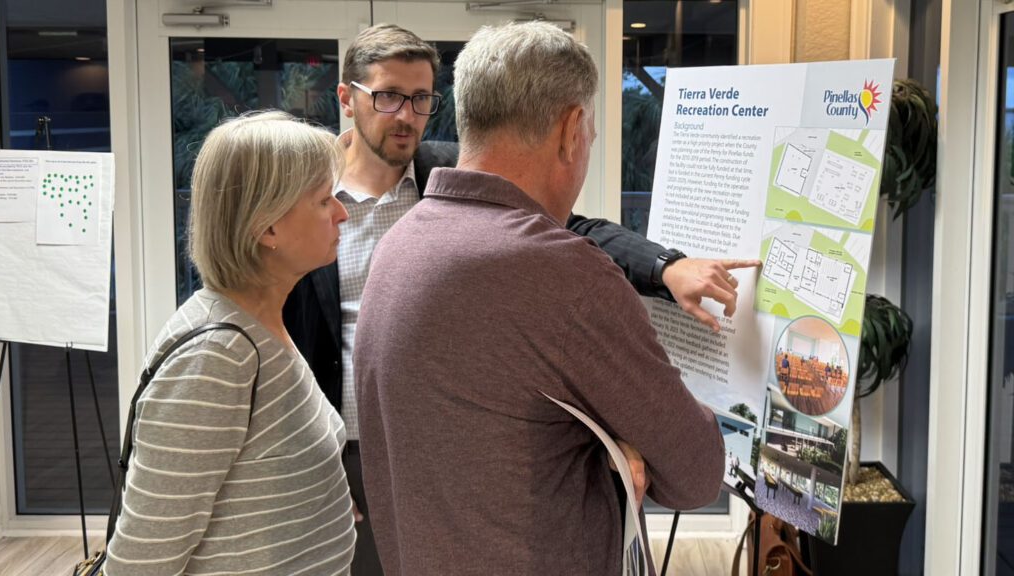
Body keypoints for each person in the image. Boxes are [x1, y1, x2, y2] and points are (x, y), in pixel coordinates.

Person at [281, 23, 757, 574]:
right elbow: (696, 472)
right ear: (571, 129)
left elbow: (501, 403)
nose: (404, 115)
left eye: (417, 100)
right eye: (388, 97)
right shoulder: (565, 276)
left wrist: (664, 267)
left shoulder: (401, 241)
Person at [106, 111, 355, 575]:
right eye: (324, 201)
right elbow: (141, 560)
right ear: (267, 228)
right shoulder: (217, 358)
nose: (342, 212)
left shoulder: (263, 326)